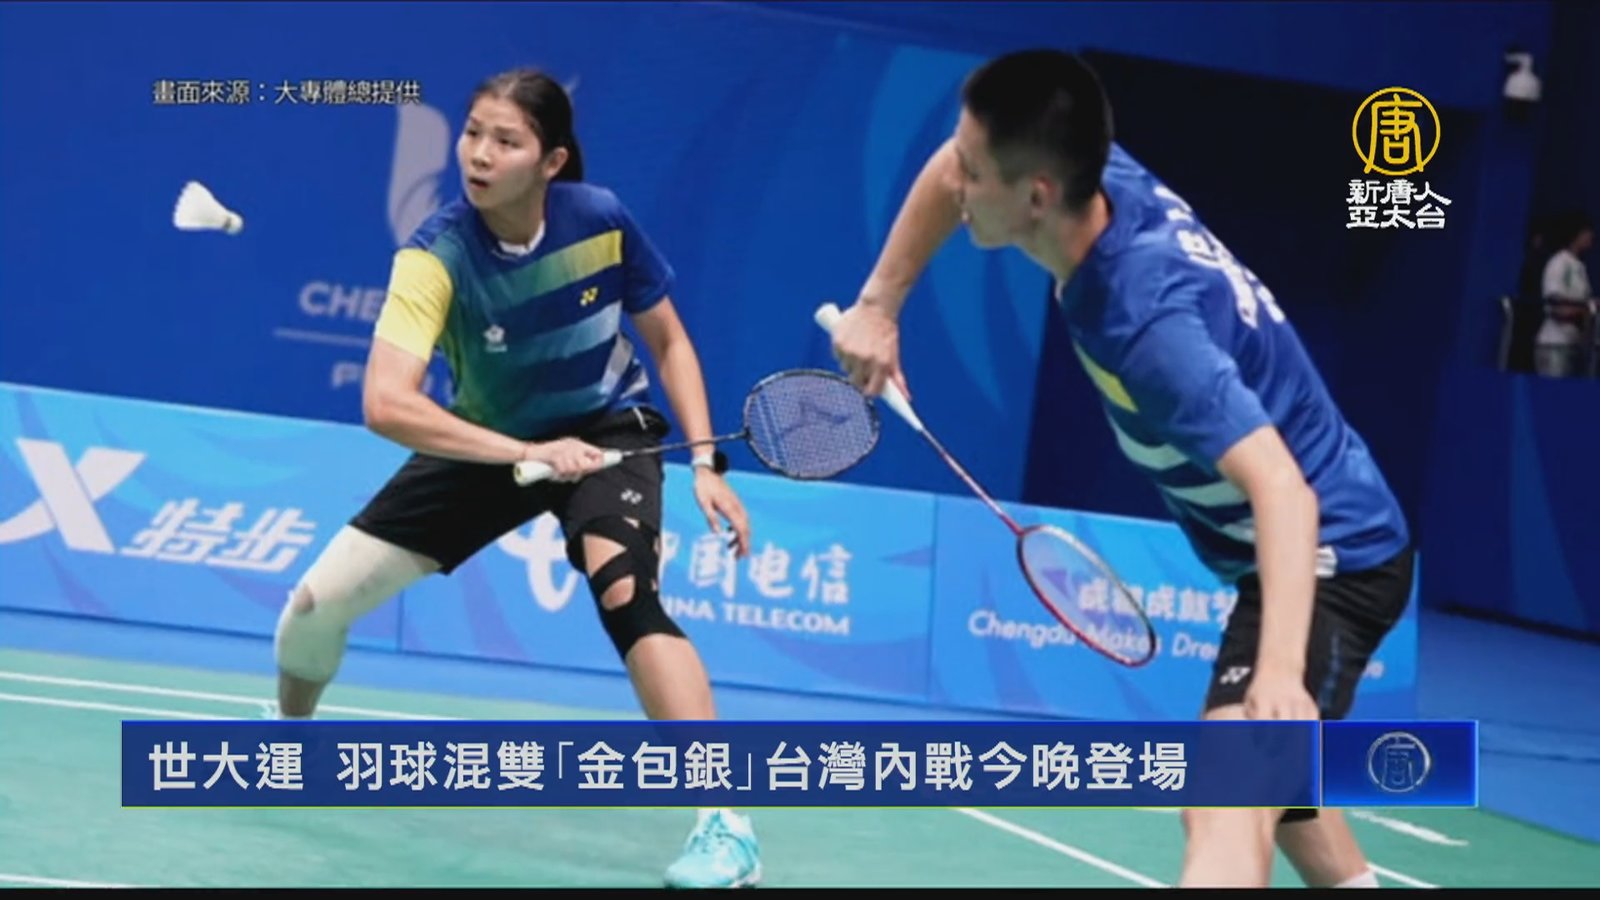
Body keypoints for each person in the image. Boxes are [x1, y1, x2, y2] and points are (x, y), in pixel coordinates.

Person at [828, 50, 1413, 889]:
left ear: (1035, 197)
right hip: (1298, 542)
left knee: (1225, 793)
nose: (957, 182)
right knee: (1277, 797)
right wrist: (880, 305)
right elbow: (947, 168)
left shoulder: (1148, 330)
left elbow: (1285, 491)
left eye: (976, 173)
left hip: (1332, 556)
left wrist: (1281, 674)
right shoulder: (1098, 175)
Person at [270, 67, 762, 889]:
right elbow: (386, 404)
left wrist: (707, 462)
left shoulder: (600, 220)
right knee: (314, 610)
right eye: (472, 133)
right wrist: (523, 454)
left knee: (625, 590)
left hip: (607, 429)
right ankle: (288, 744)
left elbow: (669, 340)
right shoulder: (435, 255)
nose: (479, 154)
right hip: (489, 438)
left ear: (551, 161)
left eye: (506, 141)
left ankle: (726, 824)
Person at [1534, 209, 1595, 378]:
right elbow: (1557, 308)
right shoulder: (1558, 263)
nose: (1591, 236)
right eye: (1587, 232)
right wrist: (1588, 308)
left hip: (1573, 346)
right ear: (1576, 234)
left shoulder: (1580, 268)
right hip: (1554, 344)